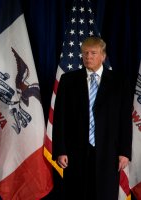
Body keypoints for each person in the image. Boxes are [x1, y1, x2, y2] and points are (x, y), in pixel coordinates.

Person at [52, 37, 132, 200]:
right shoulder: (68, 81)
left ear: (103, 56)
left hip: (109, 152)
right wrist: (60, 150)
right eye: (85, 53)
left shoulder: (119, 82)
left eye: (93, 53)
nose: (88, 56)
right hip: (75, 153)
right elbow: (59, 118)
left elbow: (124, 120)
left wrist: (124, 152)